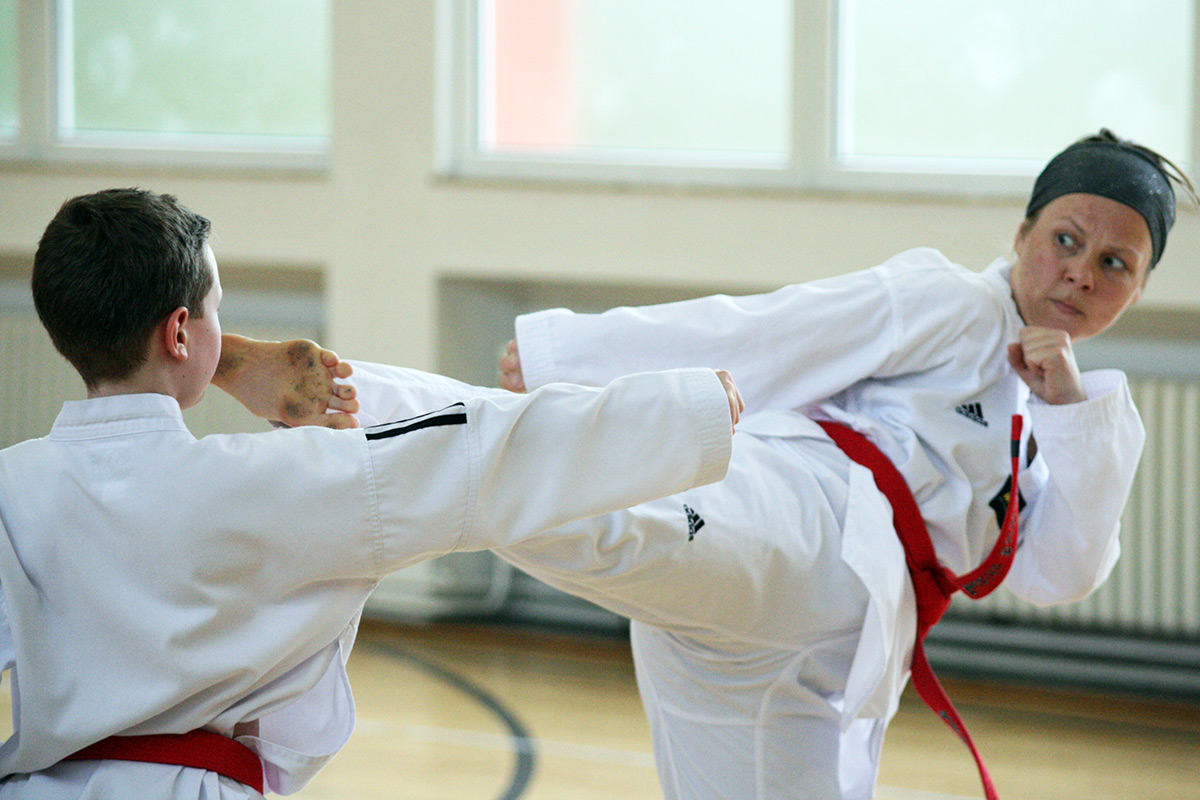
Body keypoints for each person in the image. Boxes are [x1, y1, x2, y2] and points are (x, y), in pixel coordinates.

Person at [328, 130, 1195, 800]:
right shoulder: (953, 304)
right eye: (1066, 240)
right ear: (1022, 233)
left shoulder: (1063, 417)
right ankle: (351, 400)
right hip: (796, 529)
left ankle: (389, 433)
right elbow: (772, 329)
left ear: (1139, 287)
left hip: (828, 659)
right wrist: (577, 355)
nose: (1079, 273)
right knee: (601, 515)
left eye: (1114, 264)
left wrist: (1072, 409)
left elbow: (1060, 573)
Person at [0, 188, 744, 798]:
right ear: (182, 331)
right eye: (218, 313)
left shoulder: (14, 488)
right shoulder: (267, 483)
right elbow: (480, 447)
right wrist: (681, 411)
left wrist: (211, 358)